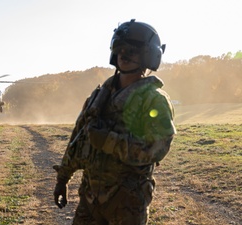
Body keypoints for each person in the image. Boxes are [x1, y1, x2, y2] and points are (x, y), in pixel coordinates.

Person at [53, 19, 176, 225]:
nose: (124, 55)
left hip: (127, 202)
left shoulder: (154, 100)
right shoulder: (99, 96)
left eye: (132, 51)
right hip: (90, 199)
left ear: (148, 56)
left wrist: (108, 141)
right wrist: (62, 178)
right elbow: (78, 139)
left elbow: (156, 149)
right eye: (120, 49)